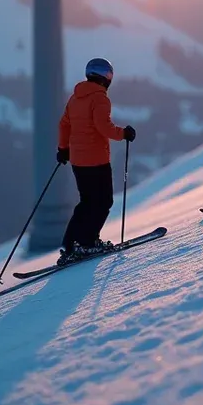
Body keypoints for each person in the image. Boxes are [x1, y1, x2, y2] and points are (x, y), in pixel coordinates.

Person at [56, 58, 136, 264]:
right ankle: (88, 243)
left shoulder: (75, 98)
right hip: (96, 160)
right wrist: (124, 133)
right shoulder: (100, 99)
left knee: (86, 202)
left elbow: (64, 125)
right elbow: (104, 127)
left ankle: (70, 244)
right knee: (103, 201)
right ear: (106, 78)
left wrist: (63, 149)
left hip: (77, 161)